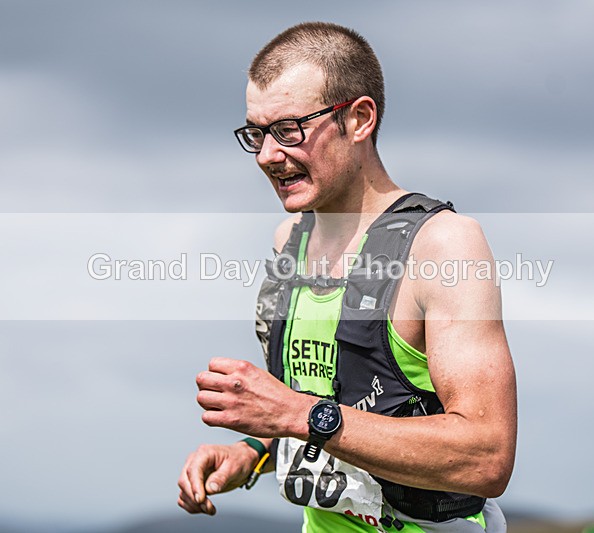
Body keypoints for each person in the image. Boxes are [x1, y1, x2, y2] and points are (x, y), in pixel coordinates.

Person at [178, 22, 517, 532]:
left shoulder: (442, 245)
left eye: (289, 130)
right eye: (256, 133)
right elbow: (336, 397)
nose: (268, 155)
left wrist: (296, 415)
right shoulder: (289, 239)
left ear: (359, 119)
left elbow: (486, 457)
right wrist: (254, 450)